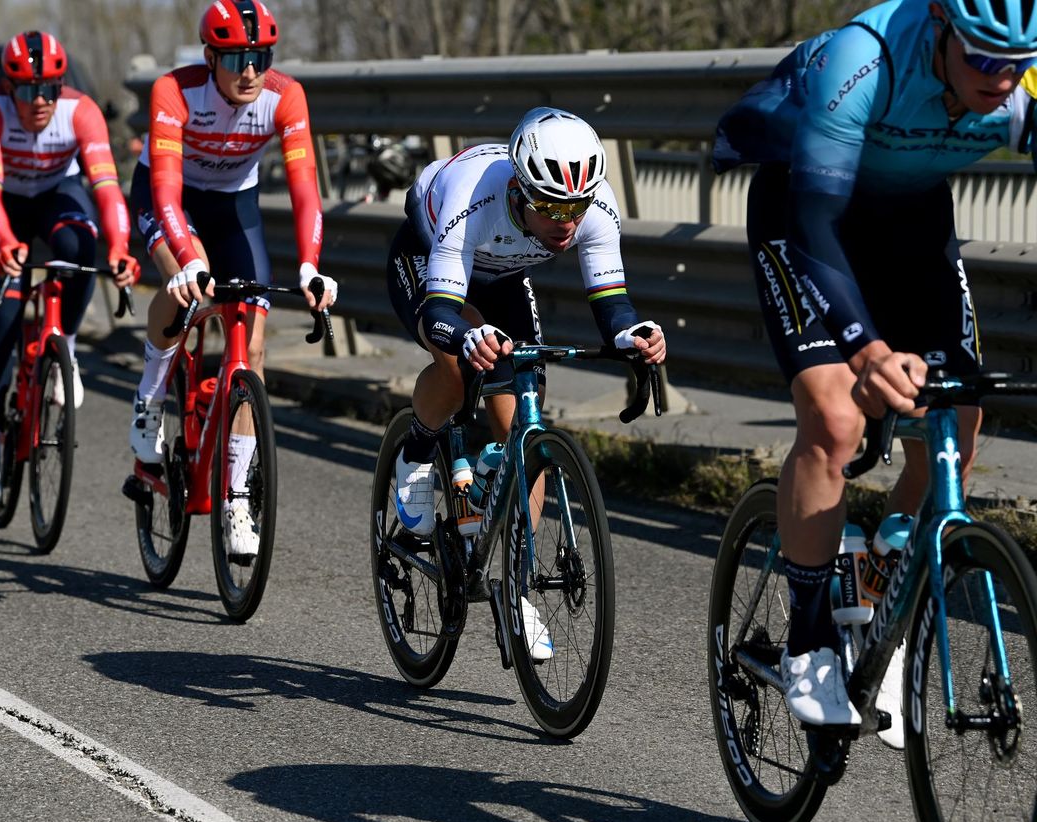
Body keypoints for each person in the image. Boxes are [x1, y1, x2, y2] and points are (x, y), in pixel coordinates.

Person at [711, 0, 1037, 741]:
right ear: (942, 31)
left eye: (1017, 63)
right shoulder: (862, 61)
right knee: (834, 418)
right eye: (984, 58)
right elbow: (814, 222)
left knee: (955, 421)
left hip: (913, 221)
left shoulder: (1025, 82)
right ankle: (808, 637)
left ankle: (885, 572)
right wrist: (865, 351)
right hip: (811, 215)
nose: (1002, 78)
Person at [385, 106, 666, 660]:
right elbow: (440, 309)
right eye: (549, 206)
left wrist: (634, 334)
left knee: (524, 424)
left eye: (575, 208)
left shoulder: (594, 205)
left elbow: (611, 303)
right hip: (430, 257)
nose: (565, 222)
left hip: (505, 274)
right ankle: (416, 451)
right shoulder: (474, 198)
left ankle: (517, 586)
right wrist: (465, 337)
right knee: (460, 361)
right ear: (519, 189)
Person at [127, 0, 338, 556]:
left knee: (254, 344)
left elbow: (305, 190)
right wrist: (188, 261)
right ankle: (150, 403)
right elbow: (168, 192)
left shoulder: (284, 96)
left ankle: (237, 497)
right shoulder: (175, 91)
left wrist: (312, 265)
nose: (250, 70)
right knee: (187, 288)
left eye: (260, 56)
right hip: (167, 198)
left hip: (233, 205)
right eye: (237, 58)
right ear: (210, 57)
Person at [0, 30, 138, 504]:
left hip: (55, 197)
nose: (39, 101)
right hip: (2, 206)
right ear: (8, 87)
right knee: (2, 319)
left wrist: (121, 247)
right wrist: (3, 241)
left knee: (81, 247)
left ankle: (65, 344)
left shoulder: (79, 110)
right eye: (26, 90)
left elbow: (106, 188)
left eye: (49, 89)